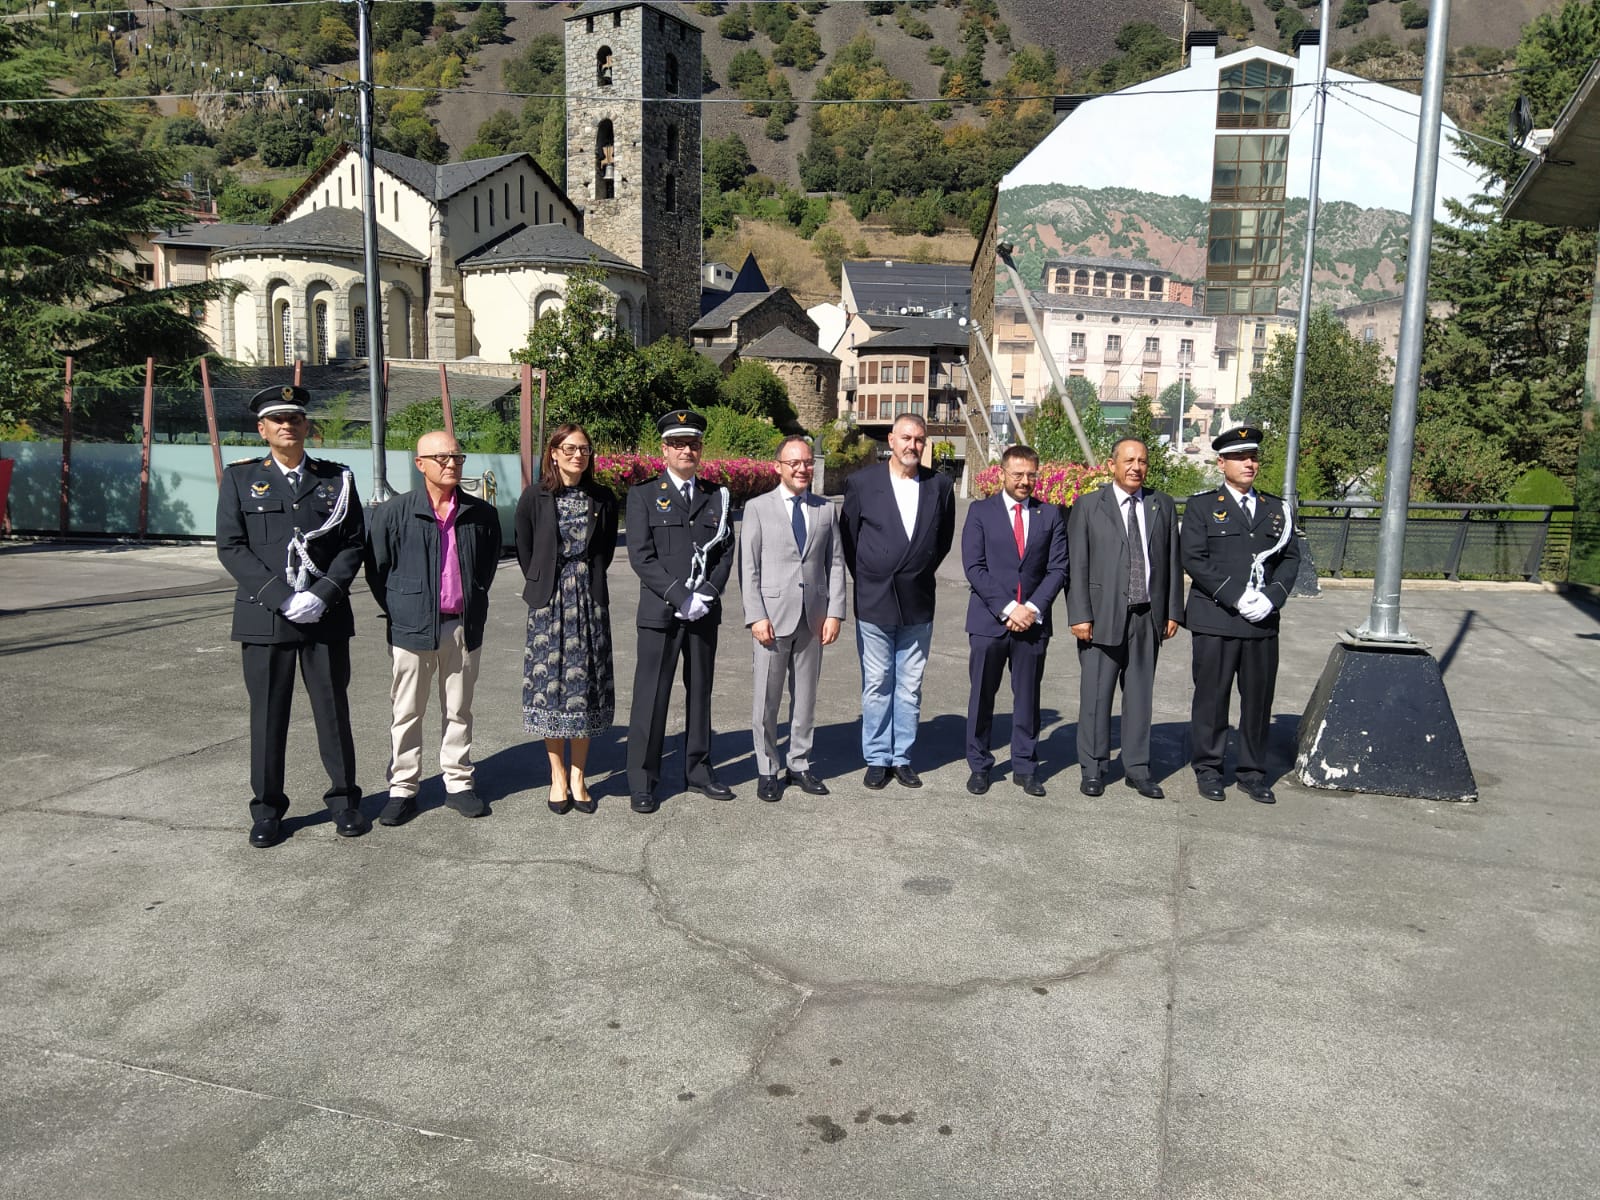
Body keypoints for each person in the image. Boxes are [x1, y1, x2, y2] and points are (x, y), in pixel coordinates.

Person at [216, 384, 365, 848]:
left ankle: (344, 802)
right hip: (266, 616)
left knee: (332, 711)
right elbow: (231, 546)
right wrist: (281, 596)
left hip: (324, 614)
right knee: (268, 715)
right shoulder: (240, 480)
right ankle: (266, 811)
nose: (287, 425)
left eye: (295, 418)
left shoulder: (336, 479)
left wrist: (323, 593)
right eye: (277, 419)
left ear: (307, 427)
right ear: (262, 429)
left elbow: (353, 543)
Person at [363, 431, 502, 826]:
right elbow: (378, 571)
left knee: (459, 709)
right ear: (420, 463)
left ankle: (458, 783)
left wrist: (469, 602)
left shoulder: (480, 514)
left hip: (461, 626)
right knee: (406, 710)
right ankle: (403, 787)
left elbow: (485, 570)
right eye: (442, 457)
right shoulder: (394, 513)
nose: (452, 463)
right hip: (411, 629)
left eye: (457, 456)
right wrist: (402, 609)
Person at [1181, 425, 1302, 804]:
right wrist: (1236, 596)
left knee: (1257, 701)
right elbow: (1194, 559)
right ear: (1222, 463)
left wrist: (1271, 598)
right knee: (1211, 699)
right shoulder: (1203, 506)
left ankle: (1252, 772)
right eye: (1240, 457)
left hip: (1261, 623)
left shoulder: (1276, 509)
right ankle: (1209, 768)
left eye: (1253, 457)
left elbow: (1291, 559)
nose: (1250, 463)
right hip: (1216, 618)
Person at [625, 409, 737, 813]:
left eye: (693, 444)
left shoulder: (716, 496)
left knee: (701, 692)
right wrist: (680, 596)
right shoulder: (642, 495)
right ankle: (642, 778)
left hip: (703, 611)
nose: (686, 450)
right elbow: (640, 555)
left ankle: (699, 770)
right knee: (650, 696)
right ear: (664, 449)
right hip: (661, 612)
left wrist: (705, 593)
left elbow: (725, 552)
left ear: (700, 449)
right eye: (678, 443)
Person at [840, 412, 957, 789]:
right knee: (877, 682)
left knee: (909, 685)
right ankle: (876, 756)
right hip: (874, 600)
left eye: (919, 440)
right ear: (891, 440)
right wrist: (872, 575)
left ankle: (901, 756)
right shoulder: (861, 483)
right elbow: (850, 540)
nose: (913, 446)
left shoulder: (939, 486)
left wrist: (914, 572)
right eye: (906, 438)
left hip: (918, 601)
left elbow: (941, 542)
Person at [1066, 437, 1184, 799]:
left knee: (1140, 698)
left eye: (1143, 461)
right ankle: (1094, 768)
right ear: (1111, 464)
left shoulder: (1160, 504)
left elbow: (1173, 562)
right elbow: (1077, 564)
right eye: (1129, 460)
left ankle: (1137, 768)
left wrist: (1172, 611)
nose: (1136, 467)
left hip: (1147, 617)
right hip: (1100, 619)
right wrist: (1080, 614)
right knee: (1096, 699)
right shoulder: (1088, 506)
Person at [515, 423, 619, 815]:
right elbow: (525, 546)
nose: (578, 455)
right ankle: (557, 776)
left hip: (589, 600)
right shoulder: (535, 496)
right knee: (550, 686)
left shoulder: (602, 497)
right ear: (554, 453)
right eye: (570, 448)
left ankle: (579, 776)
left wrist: (581, 578)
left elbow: (604, 550)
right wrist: (544, 578)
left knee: (585, 686)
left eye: (585, 449)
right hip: (548, 602)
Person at [739, 435, 847, 802]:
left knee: (805, 699)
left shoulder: (825, 509)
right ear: (779, 467)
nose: (803, 469)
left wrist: (835, 612)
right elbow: (749, 567)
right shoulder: (757, 508)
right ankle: (767, 768)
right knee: (766, 701)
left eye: (807, 462)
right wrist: (755, 616)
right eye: (794, 463)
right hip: (771, 618)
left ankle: (799, 763)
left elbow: (835, 563)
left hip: (813, 619)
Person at [960, 444, 1068, 796]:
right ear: (1002, 473)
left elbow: (1057, 569)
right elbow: (974, 567)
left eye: (1031, 475)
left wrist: (1032, 609)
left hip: (1033, 624)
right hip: (990, 622)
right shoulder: (980, 512)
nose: (1024, 481)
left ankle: (1025, 765)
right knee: (982, 697)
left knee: (1027, 697)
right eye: (1017, 474)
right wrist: (1009, 608)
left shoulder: (1049, 514)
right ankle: (979, 764)